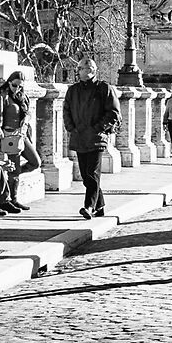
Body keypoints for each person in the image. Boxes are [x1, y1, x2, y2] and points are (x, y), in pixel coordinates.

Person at [63, 55, 119, 220]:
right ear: (78, 71)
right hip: (79, 136)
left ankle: (89, 206)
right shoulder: (73, 90)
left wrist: (99, 128)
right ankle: (99, 205)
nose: (86, 71)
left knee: (92, 173)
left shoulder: (104, 88)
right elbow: (66, 110)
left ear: (95, 71)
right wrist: (71, 127)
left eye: (89, 69)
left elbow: (114, 113)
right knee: (86, 175)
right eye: (82, 68)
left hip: (96, 137)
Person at [0, 73, 42, 181]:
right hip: (9, 135)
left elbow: (28, 113)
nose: (17, 88)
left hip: (21, 134)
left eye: (20, 86)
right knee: (14, 170)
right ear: (9, 83)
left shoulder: (22, 96)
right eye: (15, 85)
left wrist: (26, 120)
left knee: (35, 163)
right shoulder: (1, 96)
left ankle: (12, 176)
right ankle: (12, 196)